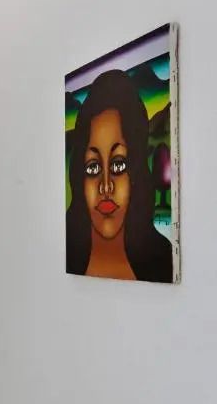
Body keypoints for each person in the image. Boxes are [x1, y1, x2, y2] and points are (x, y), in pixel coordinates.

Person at [65, 69, 173, 282]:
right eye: (93, 168)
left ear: (135, 171)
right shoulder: (69, 252)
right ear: (79, 178)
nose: (106, 186)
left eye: (118, 164)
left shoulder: (160, 261)